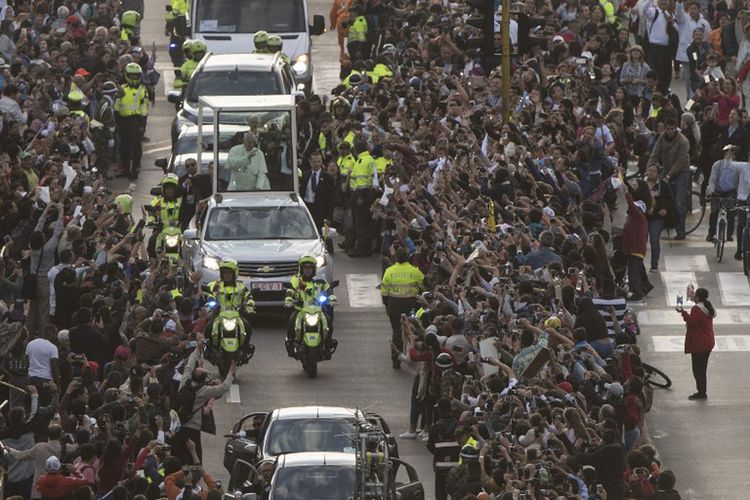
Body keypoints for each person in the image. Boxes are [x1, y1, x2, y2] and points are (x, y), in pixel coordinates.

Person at [284, 255, 337, 357]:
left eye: (310, 268)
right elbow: (290, 290)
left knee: (328, 322)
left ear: (314, 269)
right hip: (300, 310)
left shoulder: (320, 281)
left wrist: (332, 297)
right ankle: (291, 345)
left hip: (318, 310)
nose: (307, 271)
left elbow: (328, 289)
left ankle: (327, 345)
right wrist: (289, 299)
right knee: (291, 322)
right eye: (305, 268)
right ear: (301, 269)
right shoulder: (296, 280)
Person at [381, 248, 424, 369]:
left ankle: (396, 360)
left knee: (396, 332)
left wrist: (388, 305)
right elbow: (423, 285)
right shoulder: (415, 271)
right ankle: (417, 357)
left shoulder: (389, 271)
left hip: (394, 305)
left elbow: (384, 292)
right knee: (415, 331)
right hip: (411, 305)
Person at [650, 119, 691, 239]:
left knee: (679, 201)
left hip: (682, 170)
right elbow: (655, 153)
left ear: (676, 129)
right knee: (658, 194)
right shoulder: (662, 138)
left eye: (672, 129)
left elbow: (680, 161)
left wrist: (669, 176)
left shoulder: (683, 141)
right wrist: (650, 169)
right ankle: (663, 223)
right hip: (667, 167)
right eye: (667, 129)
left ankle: (680, 230)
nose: (670, 131)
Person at [677, 287, 715, 400]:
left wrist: (682, 312)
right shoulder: (707, 306)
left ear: (698, 297)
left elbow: (692, 322)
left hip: (700, 343)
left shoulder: (697, 309)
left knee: (698, 370)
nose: (692, 296)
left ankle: (702, 392)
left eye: (694, 295)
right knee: (702, 369)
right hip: (708, 342)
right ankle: (702, 391)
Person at [114, 62, 149, 179]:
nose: (134, 77)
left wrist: (143, 124)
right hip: (123, 121)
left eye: (136, 75)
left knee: (136, 147)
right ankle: (125, 169)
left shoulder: (143, 90)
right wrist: (116, 117)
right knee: (124, 147)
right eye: (132, 75)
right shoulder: (122, 88)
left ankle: (135, 169)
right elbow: (117, 104)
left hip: (136, 121)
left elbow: (144, 108)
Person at [347, 139, 378, 257]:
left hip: (361, 195)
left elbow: (361, 181)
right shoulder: (370, 159)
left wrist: (359, 197)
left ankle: (360, 249)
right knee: (367, 222)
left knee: (360, 223)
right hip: (369, 195)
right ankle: (367, 247)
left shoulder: (361, 161)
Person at [645, 164, 676, 271]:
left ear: (658, 174)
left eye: (653, 171)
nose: (651, 173)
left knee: (654, 239)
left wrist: (665, 209)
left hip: (656, 217)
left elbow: (671, 200)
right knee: (641, 240)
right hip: (643, 217)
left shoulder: (663, 186)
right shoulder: (642, 184)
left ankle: (654, 265)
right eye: (649, 170)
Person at [706, 145, 740, 242]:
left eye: (730, 155)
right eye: (726, 154)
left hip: (730, 192)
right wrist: (712, 191)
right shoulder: (717, 165)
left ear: (734, 156)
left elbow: (739, 182)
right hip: (717, 191)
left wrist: (739, 195)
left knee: (731, 213)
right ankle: (711, 233)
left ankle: (729, 234)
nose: (728, 157)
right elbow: (712, 179)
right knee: (714, 212)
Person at [623, 188, 652, 301]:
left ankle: (636, 292)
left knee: (633, 271)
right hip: (634, 248)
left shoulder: (638, 217)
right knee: (639, 269)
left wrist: (627, 194)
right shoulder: (633, 219)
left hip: (636, 249)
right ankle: (645, 287)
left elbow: (631, 206)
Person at [301, 150, 335, 229]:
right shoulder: (305, 175)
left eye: (318, 161)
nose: (316, 164)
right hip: (307, 208)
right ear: (310, 162)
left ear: (321, 162)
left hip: (320, 211)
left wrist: (329, 217)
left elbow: (331, 198)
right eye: (314, 161)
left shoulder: (327, 177)